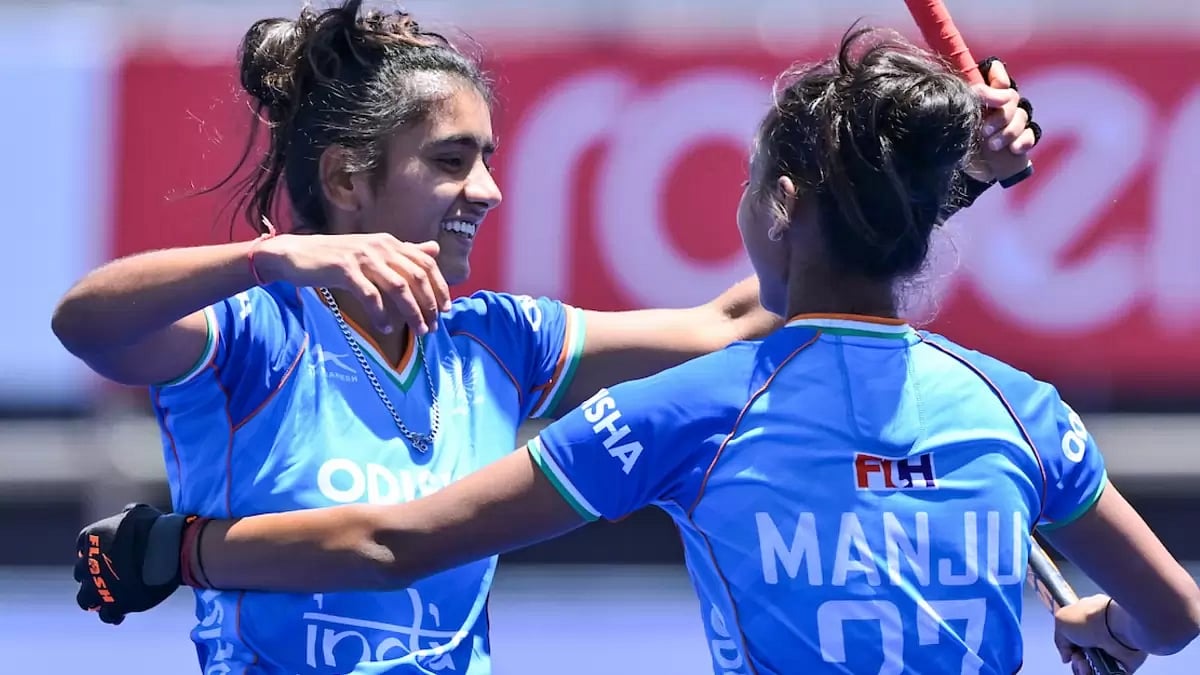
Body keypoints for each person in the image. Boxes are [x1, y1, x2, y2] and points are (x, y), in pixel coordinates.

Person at [74, 21, 1188, 675]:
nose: (489, 190)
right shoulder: (252, 334)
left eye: (489, 157)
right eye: (453, 161)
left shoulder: (500, 339)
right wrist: (272, 259)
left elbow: (751, 317)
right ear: (347, 181)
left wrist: (949, 178)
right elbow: (89, 321)